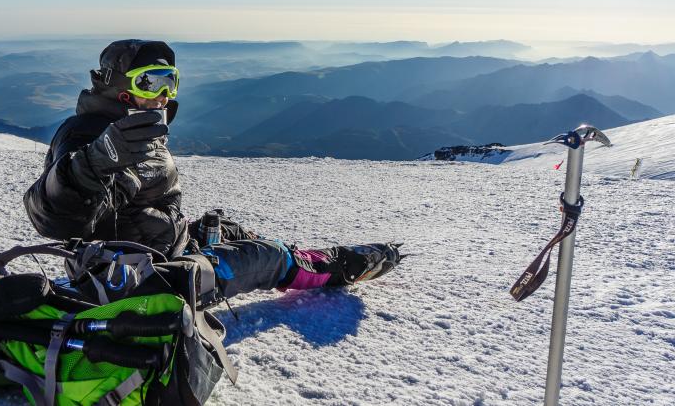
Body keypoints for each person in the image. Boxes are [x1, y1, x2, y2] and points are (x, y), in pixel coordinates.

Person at [24, 39, 401, 301]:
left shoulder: (135, 128)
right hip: (139, 279)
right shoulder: (93, 137)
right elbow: (62, 217)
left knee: (225, 228)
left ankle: (297, 257)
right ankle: (336, 267)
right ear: (119, 87)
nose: (164, 94)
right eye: (150, 81)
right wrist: (97, 160)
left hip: (159, 248)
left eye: (170, 80)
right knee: (266, 256)